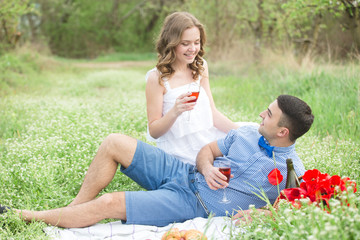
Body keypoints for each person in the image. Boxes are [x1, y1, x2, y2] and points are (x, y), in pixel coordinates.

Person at [1, 95, 314, 228]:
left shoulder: (291, 171)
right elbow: (208, 150)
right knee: (114, 142)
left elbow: (290, 211)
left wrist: (261, 216)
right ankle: (72, 212)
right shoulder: (245, 133)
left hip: (193, 203)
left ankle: (25, 216)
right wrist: (205, 166)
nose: (262, 113)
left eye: (269, 114)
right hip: (184, 172)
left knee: (110, 203)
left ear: (283, 131)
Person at [146, 12, 253, 165]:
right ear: (171, 43)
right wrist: (176, 110)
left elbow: (213, 114)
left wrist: (239, 134)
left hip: (207, 140)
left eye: (196, 42)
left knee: (252, 133)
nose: (193, 49)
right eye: (185, 43)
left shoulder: (200, 67)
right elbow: (154, 131)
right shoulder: (157, 78)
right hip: (180, 152)